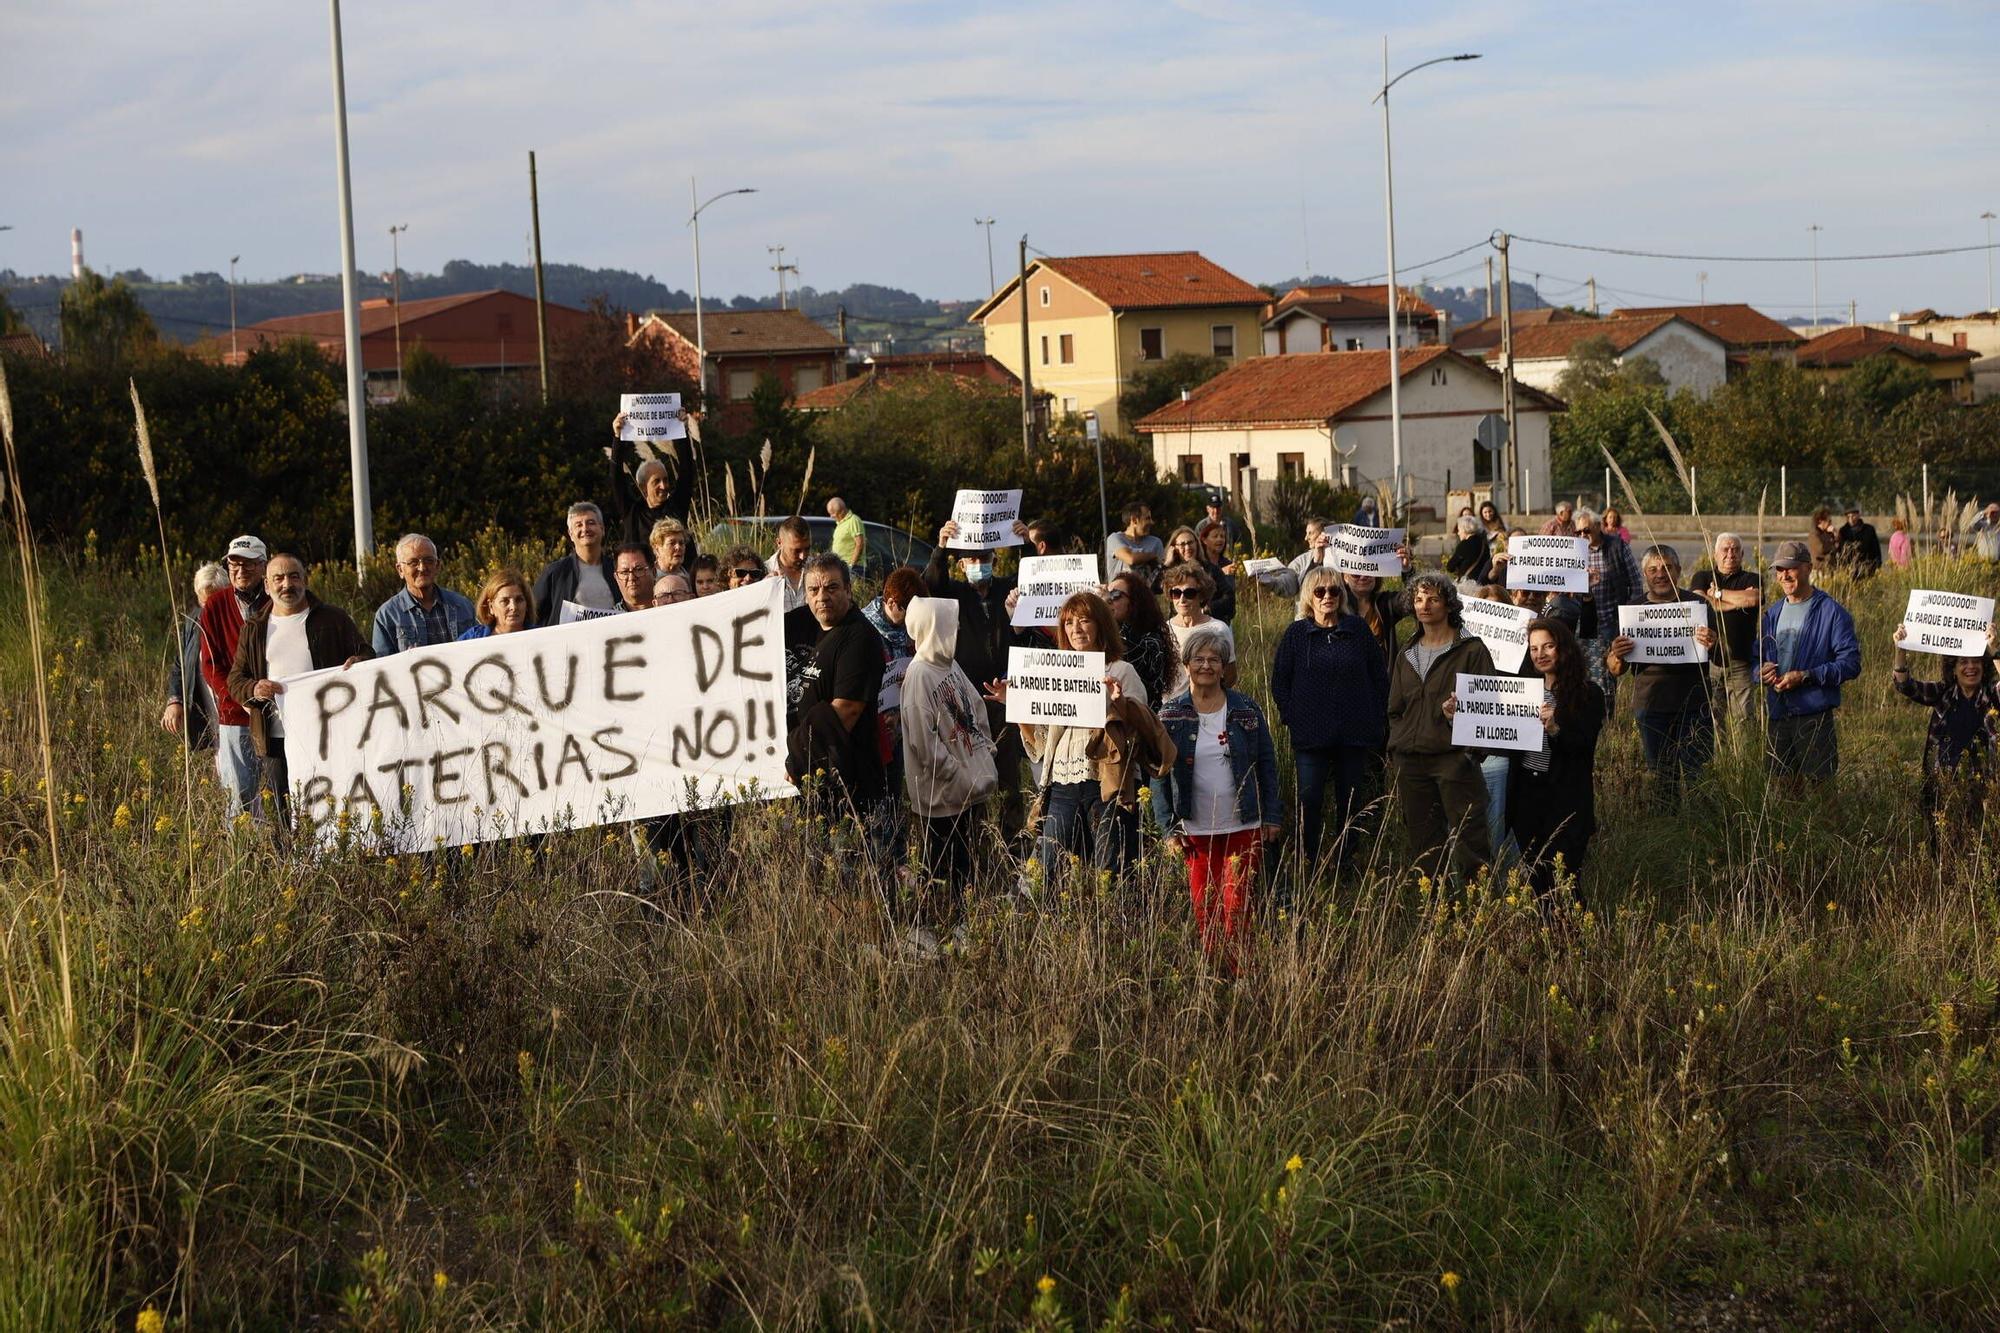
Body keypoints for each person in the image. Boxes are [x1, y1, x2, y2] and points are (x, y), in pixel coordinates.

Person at [990, 591, 1170, 885]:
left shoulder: (1122, 670)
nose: (1076, 629)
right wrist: (1016, 703)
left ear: (1100, 625)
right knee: (1046, 870)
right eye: (1069, 622)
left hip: (1106, 782)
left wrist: (1119, 703)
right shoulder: (1054, 672)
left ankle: (1115, 929)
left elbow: (1142, 733)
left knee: (1112, 872)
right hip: (1062, 783)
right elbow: (1043, 739)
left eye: (1084, 620)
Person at [1159, 627, 1280, 970]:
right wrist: (1169, 829)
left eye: (1214, 659)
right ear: (1186, 665)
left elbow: (1267, 765)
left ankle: (1241, 972)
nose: (1207, 666)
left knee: (1237, 902)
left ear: (1225, 666)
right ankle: (1213, 972)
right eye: (1199, 658)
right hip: (1195, 826)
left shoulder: (1246, 710)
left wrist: (1272, 815)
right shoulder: (1170, 714)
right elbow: (1159, 775)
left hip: (1243, 823)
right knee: (1204, 904)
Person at [226, 553, 371, 836]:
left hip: (329, 734)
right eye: (278, 578)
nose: (286, 584)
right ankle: (287, 866)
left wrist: (359, 662)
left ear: (305, 580)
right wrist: (254, 689)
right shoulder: (254, 629)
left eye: (293, 576)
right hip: (275, 737)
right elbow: (235, 679)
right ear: (266, 585)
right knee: (281, 808)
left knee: (336, 801)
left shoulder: (334, 619)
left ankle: (337, 856)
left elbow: (366, 653)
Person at [1270, 567, 1389, 875]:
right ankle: (1308, 858)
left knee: (1350, 802)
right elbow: (1280, 681)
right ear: (1309, 596)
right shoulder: (1297, 634)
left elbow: (1379, 677)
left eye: (1334, 591)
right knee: (1309, 800)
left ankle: (1345, 861)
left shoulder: (1357, 629)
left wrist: (1374, 717)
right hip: (1310, 736)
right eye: (1320, 591)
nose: (1327, 597)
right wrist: (1292, 716)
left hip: (1354, 734)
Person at [899, 596, 998, 944]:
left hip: (968, 789)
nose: (955, 629)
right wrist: (958, 776)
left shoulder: (950, 665)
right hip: (940, 798)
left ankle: (961, 927)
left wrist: (985, 751)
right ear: (933, 628)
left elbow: (975, 709)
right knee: (940, 868)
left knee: (966, 866)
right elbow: (924, 747)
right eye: (949, 623)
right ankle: (931, 930)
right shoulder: (919, 675)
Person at [1393, 573, 1496, 884]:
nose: (1425, 605)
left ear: (1449, 605)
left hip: (1454, 761)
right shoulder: (1406, 653)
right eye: (1419, 599)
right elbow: (1394, 709)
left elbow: (1488, 710)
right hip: (1411, 763)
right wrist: (1395, 746)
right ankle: (1435, 915)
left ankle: (1477, 911)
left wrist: (1466, 744)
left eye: (1433, 599)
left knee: (1471, 843)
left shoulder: (1472, 651)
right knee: (1424, 847)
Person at [1605, 545, 1720, 807]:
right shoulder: (1633, 610)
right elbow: (1615, 669)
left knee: (1699, 777)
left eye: (1667, 567)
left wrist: (1713, 643)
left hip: (1694, 707)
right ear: (1645, 574)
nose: (1661, 574)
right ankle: (1666, 834)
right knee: (1661, 778)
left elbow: (1722, 657)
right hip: (1651, 707)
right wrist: (1617, 653)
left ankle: (1703, 833)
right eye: (1653, 569)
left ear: (1678, 571)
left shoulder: (1697, 605)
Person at [785, 553, 888, 820]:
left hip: (850, 792)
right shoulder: (812, 627)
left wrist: (795, 759)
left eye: (832, 587)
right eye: (814, 590)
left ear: (848, 590)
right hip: (815, 786)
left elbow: (846, 711)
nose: (822, 597)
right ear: (806, 596)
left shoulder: (859, 637)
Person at [1507, 617, 1605, 899]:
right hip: (1527, 797)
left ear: (1564, 648)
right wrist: (1460, 714)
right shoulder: (1522, 691)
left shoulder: (1588, 694)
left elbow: (1585, 746)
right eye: (1534, 648)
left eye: (1548, 646)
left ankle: (1573, 940)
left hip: (1566, 801)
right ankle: (1546, 941)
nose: (1541, 654)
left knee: (1565, 884)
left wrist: (1556, 729)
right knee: (1536, 882)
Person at [1758, 540, 1862, 783]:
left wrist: (1806, 676)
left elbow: (1851, 664)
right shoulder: (1772, 613)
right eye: (1779, 570)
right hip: (1778, 713)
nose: (1784, 575)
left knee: (1821, 791)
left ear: (1808, 568)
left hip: (1813, 715)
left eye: (1790, 568)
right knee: (1782, 787)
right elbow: (1759, 655)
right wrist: (1760, 671)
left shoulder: (1832, 612)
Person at [1891, 622, 2000, 845]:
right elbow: (1905, 686)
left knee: (1980, 845)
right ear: (1953, 668)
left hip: (1983, 788)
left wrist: (1994, 650)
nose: (1971, 667)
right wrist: (1900, 649)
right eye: (1963, 662)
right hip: (1943, 785)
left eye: (1976, 661)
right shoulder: (1943, 693)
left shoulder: (1992, 696)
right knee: (1942, 845)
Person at [198, 534, 271, 817]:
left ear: (263, 566)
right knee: (239, 795)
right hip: (235, 713)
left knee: (284, 790)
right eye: (234, 565)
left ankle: (283, 852)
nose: (240, 571)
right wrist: (240, 697)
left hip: (280, 712)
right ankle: (242, 856)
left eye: (249, 565)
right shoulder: (216, 605)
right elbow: (210, 664)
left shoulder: (277, 597)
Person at [1573, 505, 1644, 715]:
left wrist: (1627, 618)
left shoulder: (1617, 546)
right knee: (1581, 675)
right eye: (1579, 532)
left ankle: (1607, 719)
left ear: (1598, 526)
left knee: (1607, 676)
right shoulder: (1573, 551)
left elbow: (1636, 584)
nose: (1583, 535)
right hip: (1582, 624)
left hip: (1610, 622)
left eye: (1587, 530)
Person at [1689, 532, 1761, 725]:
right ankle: (1715, 756)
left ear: (1742, 554)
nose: (1730, 554)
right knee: (1712, 719)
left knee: (1744, 719)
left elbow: (1753, 599)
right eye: (1725, 549)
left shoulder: (1752, 578)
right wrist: (1736, 602)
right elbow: (1701, 603)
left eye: (1735, 549)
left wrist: (1718, 594)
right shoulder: (1702, 577)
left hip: (1740, 661)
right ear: (1715, 554)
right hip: (1710, 660)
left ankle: (1744, 756)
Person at [371, 533, 477, 654]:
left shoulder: (463, 606)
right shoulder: (388, 615)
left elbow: (479, 651)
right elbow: (383, 666)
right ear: (400, 570)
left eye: (429, 561)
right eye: (413, 562)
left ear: (437, 566)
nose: (422, 568)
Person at [164, 561, 229, 753]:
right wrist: (175, 700)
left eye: (215, 600)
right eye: (204, 601)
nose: (208, 608)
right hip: (206, 713)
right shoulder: (193, 622)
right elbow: (180, 665)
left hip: (236, 714)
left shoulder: (239, 621)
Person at [607, 410, 695, 549]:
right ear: (643, 487)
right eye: (656, 481)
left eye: (665, 480)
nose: (663, 486)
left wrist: (681, 432)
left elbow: (687, 472)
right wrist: (618, 436)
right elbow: (616, 480)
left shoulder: (677, 506)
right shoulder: (633, 512)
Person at [532, 502, 623, 627]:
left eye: (591, 523)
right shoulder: (556, 572)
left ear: (602, 529)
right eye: (578, 525)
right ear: (571, 534)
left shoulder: (619, 569)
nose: (585, 529)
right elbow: (532, 613)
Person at [1105, 570, 1176, 711]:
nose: (1108, 600)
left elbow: (1129, 650)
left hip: (1142, 718)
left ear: (1134, 602)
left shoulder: (1151, 641)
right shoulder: (1105, 636)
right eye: (1107, 594)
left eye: (1115, 595)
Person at [1161, 563, 1233, 695]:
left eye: (1189, 593)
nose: (1182, 599)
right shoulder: (1163, 630)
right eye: (1176, 593)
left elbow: (1230, 675)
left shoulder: (1219, 629)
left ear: (1202, 596)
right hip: (1169, 708)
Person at [457, 568, 535, 639]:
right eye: (505, 601)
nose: (513, 607)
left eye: (519, 600)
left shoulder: (541, 636)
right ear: (491, 607)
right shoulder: (471, 639)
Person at [1104, 503, 1165, 590]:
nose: (1152, 522)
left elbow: (1161, 576)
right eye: (1147, 518)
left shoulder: (1156, 542)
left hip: (1146, 599)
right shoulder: (1115, 539)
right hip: (1119, 599)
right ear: (1134, 520)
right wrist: (1152, 556)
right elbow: (1130, 558)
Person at [1196, 521, 1238, 622]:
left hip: (1224, 619)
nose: (1220, 539)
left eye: (1222, 536)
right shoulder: (1198, 564)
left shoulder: (1227, 562)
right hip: (1203, 618)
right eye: (1215, 536)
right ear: (1204, 540)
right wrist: (1222, 573)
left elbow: (1230, 594)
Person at [767, 515, 811, 611]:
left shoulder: (817, 568)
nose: (803, 556)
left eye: (807, 549)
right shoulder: (764, 571)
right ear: (779, 543)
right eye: (796, 550)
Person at [1445, 513, 1490, 587]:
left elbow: (1450, 567)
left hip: (1468, 585)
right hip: (1482, 584)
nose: (1458, 533)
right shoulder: (1484, 544)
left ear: (1465, 529)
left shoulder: (1464, 544)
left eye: (1459, 530)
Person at [1194, 488, 1244, 554]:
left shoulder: (1230, 524)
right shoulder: (1201, 526)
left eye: (1218, 507)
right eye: (1213, 508)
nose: (1216, 511)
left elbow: (1239, 542)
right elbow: (1197, 546)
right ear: (1207, 509)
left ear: (1221, 508)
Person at [648, 517, 696, 582]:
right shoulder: (648, 579)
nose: (678, 547)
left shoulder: (693, 579)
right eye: (672, 543)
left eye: (681, 543)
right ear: (657, 549)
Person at [1838, 507, 1882, 577]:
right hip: (1850, 568)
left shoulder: (1869, 529)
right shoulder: (1843, 531)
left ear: (1858, 515)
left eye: (1853, 516)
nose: (1851, 519)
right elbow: (1841, 550)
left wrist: (1878, 564)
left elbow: (1876, 549)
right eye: (1848, 516)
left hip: (1867, 567)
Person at [612, 544, 657, 611]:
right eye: (625, 572)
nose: (631, 578)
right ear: (616, 577)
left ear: (654, 572)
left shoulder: (669, 609)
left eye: (638, 570)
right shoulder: (608, 618)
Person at [828, 496, 867, 571]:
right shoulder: (840, 524)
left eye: (833, 513)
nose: (831, 517)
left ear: (842, 511)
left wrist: (851, 565)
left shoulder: (853, 520)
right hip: (842, 568)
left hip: (855, 568)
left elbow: (860, 544)